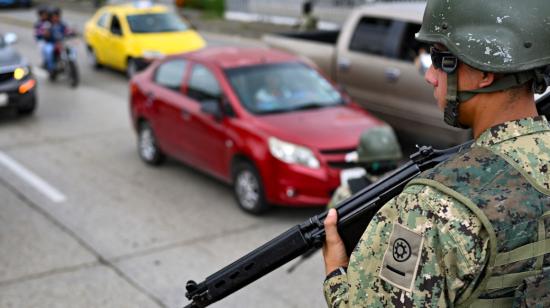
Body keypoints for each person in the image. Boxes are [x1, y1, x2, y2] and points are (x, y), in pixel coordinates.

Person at [322, 0, 550, 307]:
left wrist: (336, 274)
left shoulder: (432, 208)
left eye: (439, 59)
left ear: (485, 72)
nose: (430, 76)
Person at [42, 7, 71, 75]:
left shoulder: (62, 24)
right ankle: (51, 67)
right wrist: (46, 33)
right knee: (49, 51)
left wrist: (71, 32)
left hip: (61, 42)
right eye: (53, 16)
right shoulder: (48, 25)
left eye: (57, 16)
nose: (55, 18)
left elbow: (67, 30)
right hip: (51, 43)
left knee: (71, 48)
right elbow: (45, 34)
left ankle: (69, 62)